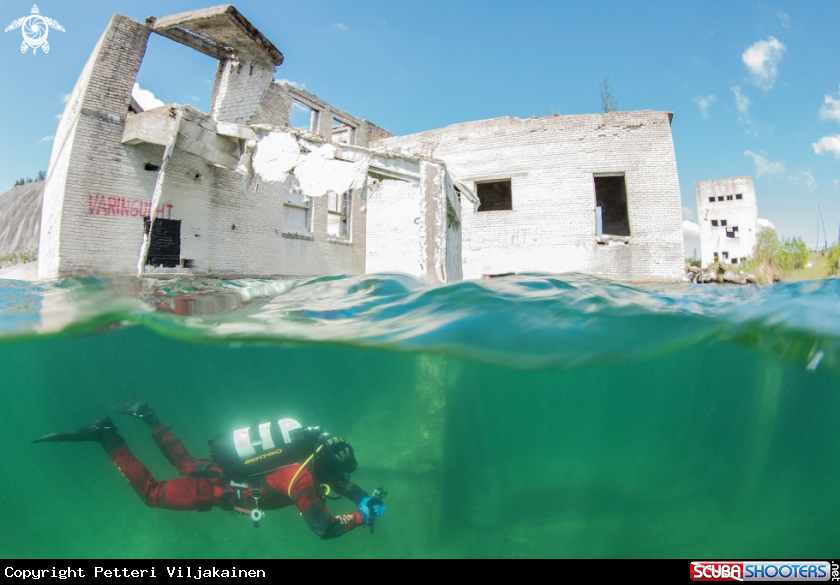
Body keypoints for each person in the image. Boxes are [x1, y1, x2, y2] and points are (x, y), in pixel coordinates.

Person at [32, 400, 386, 539]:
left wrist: (363, 498)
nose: (343, 481)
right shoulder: (303, 479)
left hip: (226, 471)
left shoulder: (305, 458)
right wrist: (361, 517)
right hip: (219, 490)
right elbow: (323, 528)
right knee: (152, 494)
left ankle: (148, 416)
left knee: (186, 463)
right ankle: (107, 436)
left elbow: (339, 481)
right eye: (341, 474)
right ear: (325, 463)